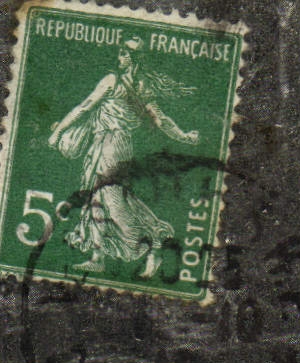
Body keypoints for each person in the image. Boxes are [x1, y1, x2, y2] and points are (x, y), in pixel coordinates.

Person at [48, 36, 199, 279]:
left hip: (111, 145)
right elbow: (161, 121)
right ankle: (98, 257)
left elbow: (84, 107)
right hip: (112, 145)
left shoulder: (114, 81)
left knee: (112, 202)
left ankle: (153, 244)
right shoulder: (142, 86)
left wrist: (57, 133)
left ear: (135, 58)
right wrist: (185, 136)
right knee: (100, 198)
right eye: (119, 53)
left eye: (124, 54)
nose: (120, 58)